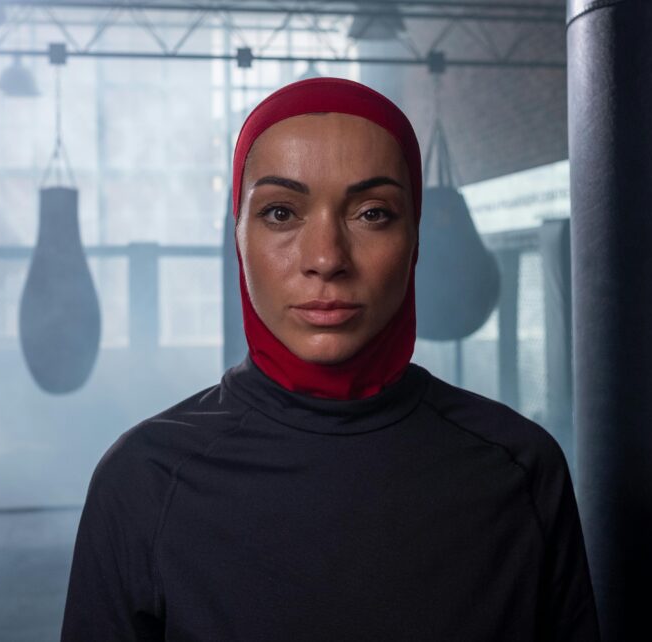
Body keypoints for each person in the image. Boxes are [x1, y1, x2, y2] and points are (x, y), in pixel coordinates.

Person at [61, 77, 599, 641]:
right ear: (237, 237)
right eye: (279, 213)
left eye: (372, 213)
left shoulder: (520, 466)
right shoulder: (144, 480)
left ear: (415, 237)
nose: (325, 258)